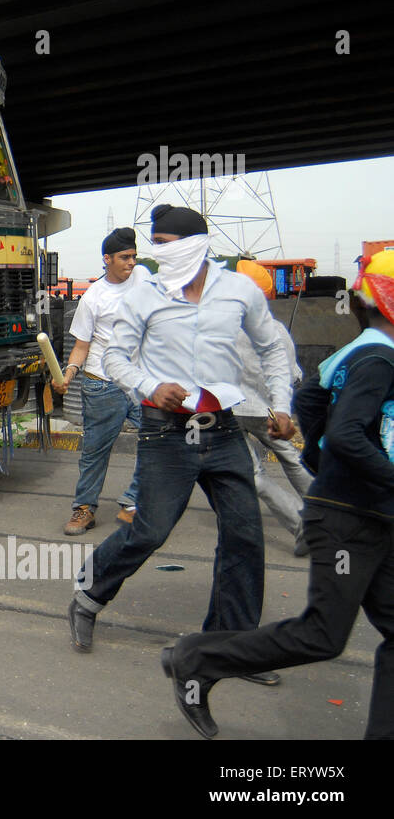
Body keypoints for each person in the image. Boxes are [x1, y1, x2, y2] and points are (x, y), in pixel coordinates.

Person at [161, 250, 394, 739]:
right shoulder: (378, 358)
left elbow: (311, 401)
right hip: (352, 524)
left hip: (363, 513)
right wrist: (341, 480)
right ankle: (197, 657)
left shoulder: (355, 353)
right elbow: (348, 433)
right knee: (323, 635)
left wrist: (323, 471)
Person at [67, 205, 295, 675]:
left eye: (167, 245)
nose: (158, 255)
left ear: (195, 244)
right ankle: (88, 596)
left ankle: (229, 646)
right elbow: (115, 357)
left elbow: (273, 346)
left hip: (224, 429)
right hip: (166, 432)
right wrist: (151, 387)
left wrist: (282, 403)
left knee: (245, 536)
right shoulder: (143, 295)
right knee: (149, 530)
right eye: (157, 245)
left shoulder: (238, 292)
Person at [56, 227, 147, 534]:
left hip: (139, 382)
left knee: (161, 438)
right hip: (103, 383)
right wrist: (68, 374)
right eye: (124, 257)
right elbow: (81, 346)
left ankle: (134, 500)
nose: (131, 262)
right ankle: (83, 509)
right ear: (107, 259)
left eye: (134, 256)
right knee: (95, 451)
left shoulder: (144, 278)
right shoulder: (93, 298)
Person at [232, 259, 311, 556]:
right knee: (291, 458)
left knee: (253, 475)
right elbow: (292, 375)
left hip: (231, 411)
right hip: (268, 411)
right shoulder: (275, 330)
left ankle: (299, 522)